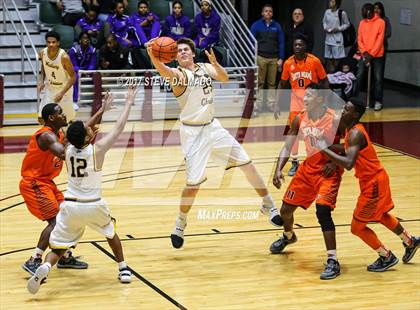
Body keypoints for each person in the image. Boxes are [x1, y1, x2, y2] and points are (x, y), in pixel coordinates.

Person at [146, 37, 281, 249]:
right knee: (193, 186)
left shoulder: (204, 67)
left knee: (247, 163)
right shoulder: (179, 76)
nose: (182, 52)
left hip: (213, 127)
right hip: (192, 134)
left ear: (192, 53)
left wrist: (216, 63)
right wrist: (153, 55)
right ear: (174, 56)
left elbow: (225, 78)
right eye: (178, 50)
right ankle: (180, 223)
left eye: (185, 50)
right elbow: (164, 70)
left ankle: (269, 205)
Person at [27, 87, 137, 295]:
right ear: (88, 139)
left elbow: (76, 134)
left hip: (70, 206)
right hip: (93, 204)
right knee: (110, 232)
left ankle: (46, 266)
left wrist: (100, 110)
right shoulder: (98, 150)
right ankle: (123, 269)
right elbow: (119, 128)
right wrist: (128, 103)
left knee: (59, 247)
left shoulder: (67, 150)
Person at [317, 97, 420, 271]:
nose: (343, 111)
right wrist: (332, 146)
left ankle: (386, 256)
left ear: (356, 114)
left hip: (374, 183)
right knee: (380, 215)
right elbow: (347, 148)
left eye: (346, 110)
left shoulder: (356, 133)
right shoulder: (351, 130)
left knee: (356, 227)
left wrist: (325, 148)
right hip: (374, 180)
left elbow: (349, 163)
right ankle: (410, 241)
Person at [271, 84, 343, 280]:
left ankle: (333, 260)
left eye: (309, 95)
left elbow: (348, 145)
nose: (305, 97)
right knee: (285, 211)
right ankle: (288, 236)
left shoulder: (334, 119)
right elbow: (287, 146)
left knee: (322, 211)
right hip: (307, 170)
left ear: (320, 99)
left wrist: (332, 162)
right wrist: (278, 170)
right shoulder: (300, 117)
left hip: (327, 173)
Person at [20, 104, 88, 276]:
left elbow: (68, 144)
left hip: (47, 182)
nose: (64, 115)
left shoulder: (58, 134)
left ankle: (63, 256)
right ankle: (34, 259)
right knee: (56, 221)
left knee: (68, 215)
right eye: (60, 113)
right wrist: (84, 141)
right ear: (51, 118)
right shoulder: (46, 136)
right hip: (34, 183)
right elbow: (65, 154)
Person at [276, 35, 329, 176]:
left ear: (306, 47)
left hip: (314, 103)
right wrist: (276, 104)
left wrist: (325, 99)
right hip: (296, 103)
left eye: (300, 45)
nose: (298, 47)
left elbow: (324, 81)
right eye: (295, 45)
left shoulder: (314, 61)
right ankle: (294, 162)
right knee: (294, 133)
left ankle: (318, 158)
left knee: (316, 131)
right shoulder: (288, 63)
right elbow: (282, 83)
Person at [250, 4, 285, 114]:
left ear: (272, 13)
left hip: (274, 58)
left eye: (270, 11)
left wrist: (281, 58)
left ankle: (271, 104)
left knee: (272, 83)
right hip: (261, 57)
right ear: (262, 13)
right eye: (266, 11)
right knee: (259, 82)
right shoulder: (256, 25)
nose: (268, 13)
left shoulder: (277, 26)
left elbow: (281, 42)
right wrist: (254, 56)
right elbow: (251, 41)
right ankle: (258, 105)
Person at [38, 31, 76, 124]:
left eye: (53, 42)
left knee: (65, 120)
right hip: (50, 87)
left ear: (58, 43)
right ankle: (50, 136)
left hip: (63, 89)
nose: (51, 44)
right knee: (42, 118)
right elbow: (43, 66)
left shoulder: (64, 57)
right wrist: (41, 81)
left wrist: (62, 93)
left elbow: (73, 77)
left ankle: (65, 137)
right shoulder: (42, 53)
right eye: (49, 42)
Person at [352, 3, 385, 111]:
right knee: (359, 75)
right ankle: (353, 99)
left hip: (377, 55)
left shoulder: (381, 22)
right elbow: (359, 39)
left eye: (366, 13)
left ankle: (378, 101)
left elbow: (379, 41)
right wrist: (365, 53)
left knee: (378, 78)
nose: (365, 16)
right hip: (365, 54)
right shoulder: (362, 23)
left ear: (371, 11)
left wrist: (371, 55)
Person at [69, 31, 97, 110]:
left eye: (87, 38)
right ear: (80, 40)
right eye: (84, 38)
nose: (86, 40)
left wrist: (88, 71)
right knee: (76, 76)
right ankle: (74, 101)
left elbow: (92, 63)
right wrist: (79, 71)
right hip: (76, 70)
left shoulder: (93, 50)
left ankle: (97, 100)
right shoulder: (74, 50)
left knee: (97, 76)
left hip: (87, 70)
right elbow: (72, 64)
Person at [323, 0, 350, 73]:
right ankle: (330, 75)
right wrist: (325, 28)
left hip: (337, 39)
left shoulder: (342, 13)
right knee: (328, 58)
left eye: (332, 1)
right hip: (328, 39)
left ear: (336, 3)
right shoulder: (327, 12)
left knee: (338, 59)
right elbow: (324, 22)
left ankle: (338, 74)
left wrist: (338, 29)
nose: (330, 3)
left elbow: (347, 24)